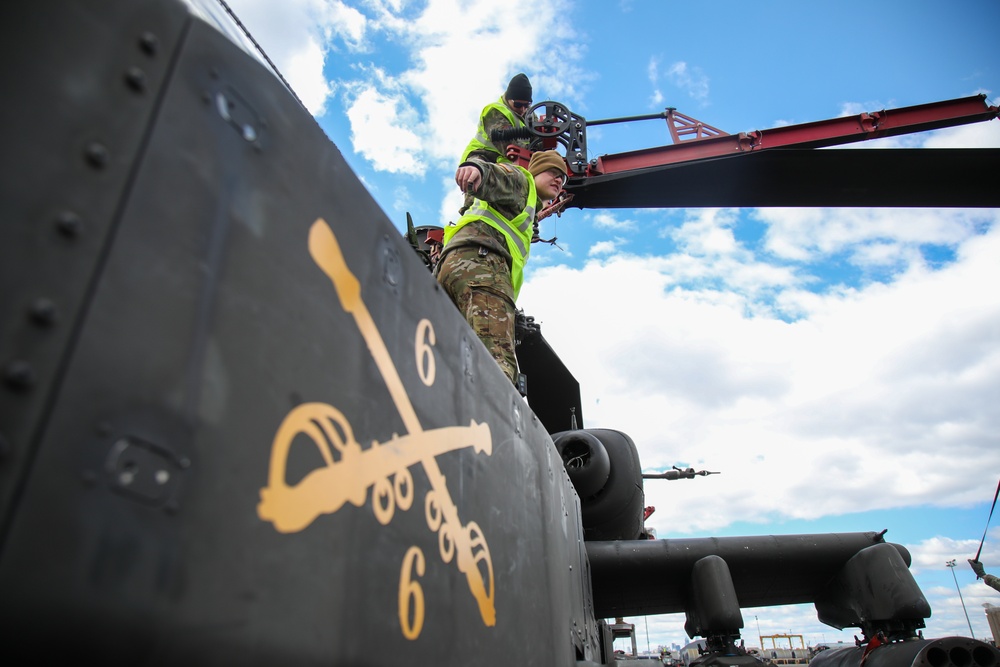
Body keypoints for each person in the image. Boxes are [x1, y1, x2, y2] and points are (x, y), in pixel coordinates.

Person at [436, 150, 568, 386]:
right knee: (496, 360)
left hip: (453, 268)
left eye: (563, 178)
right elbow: (498, 175)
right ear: (535, 171)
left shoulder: (526, 211)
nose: (559, 180)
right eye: (553, 172)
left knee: (450, 360)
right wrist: (476, 170)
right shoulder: (522, 181)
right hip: (481, 267)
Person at [458, 73, 534, 215]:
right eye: (518, 105)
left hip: (506, 167)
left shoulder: (529, 116)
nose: (523, 109)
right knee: (477, 199)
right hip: (481, 159)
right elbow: (509, 146)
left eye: (527, 105)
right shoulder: (495, 111)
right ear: (508, 99)